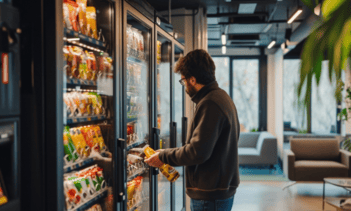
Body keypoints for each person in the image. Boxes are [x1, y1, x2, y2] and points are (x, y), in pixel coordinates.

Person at [144, 49, 240, 211]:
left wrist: (163, 156)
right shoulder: (221, 97)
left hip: (210, 195)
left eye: (183, 81)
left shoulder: (210, 104)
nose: (185, 87)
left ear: (193, 80)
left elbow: (197, 152)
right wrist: (165, 153)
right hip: (218, 191)